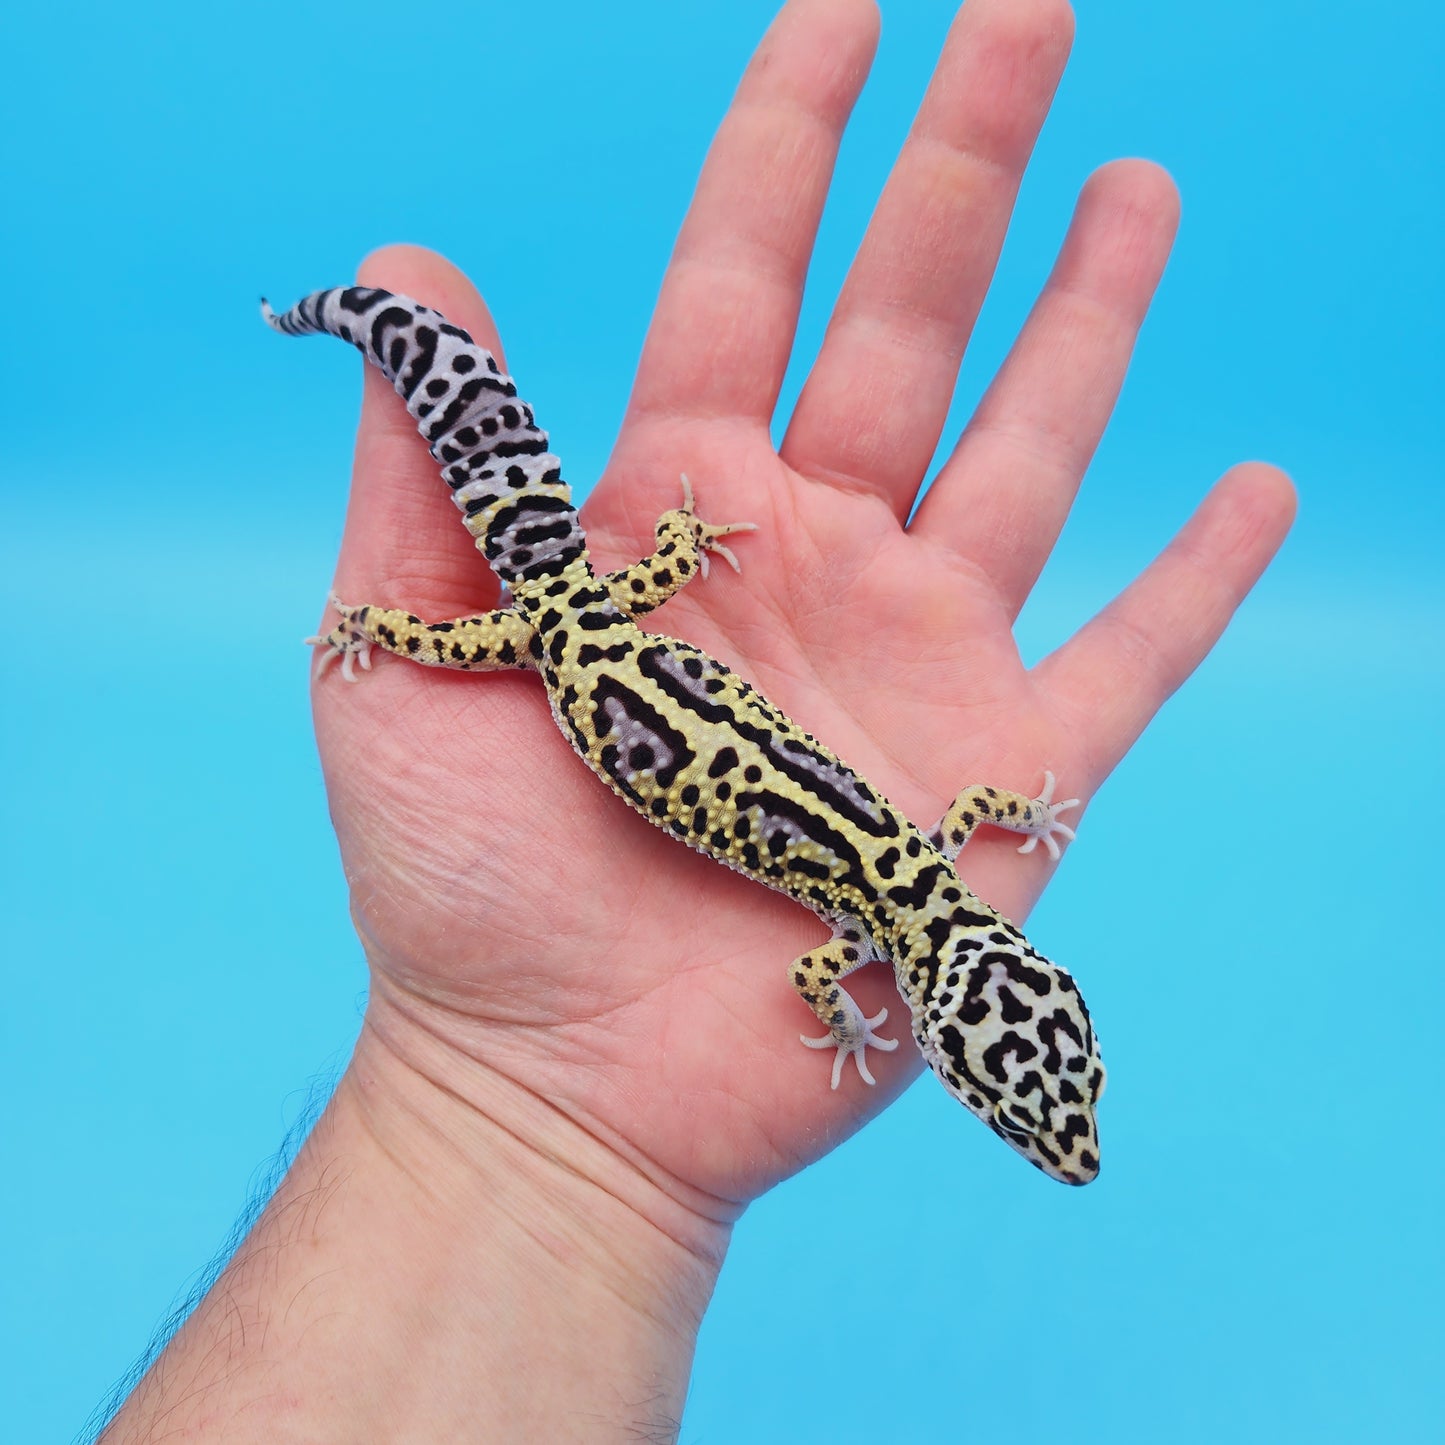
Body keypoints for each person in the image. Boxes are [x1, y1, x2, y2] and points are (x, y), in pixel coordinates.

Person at [102, 0, 1294, 1437]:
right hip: (574, 642)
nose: (1046, 1119)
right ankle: (356, 343)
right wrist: (397, 636)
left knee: (506, 564)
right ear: (978, 1004)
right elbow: (817, 984)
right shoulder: (866, 935)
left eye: (1034, 1100)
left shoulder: (931, 856)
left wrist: (668, 571)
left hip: (611, 628)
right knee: (453, 596)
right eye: (1038, 1095)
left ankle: (355, 331)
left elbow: (971, 823)